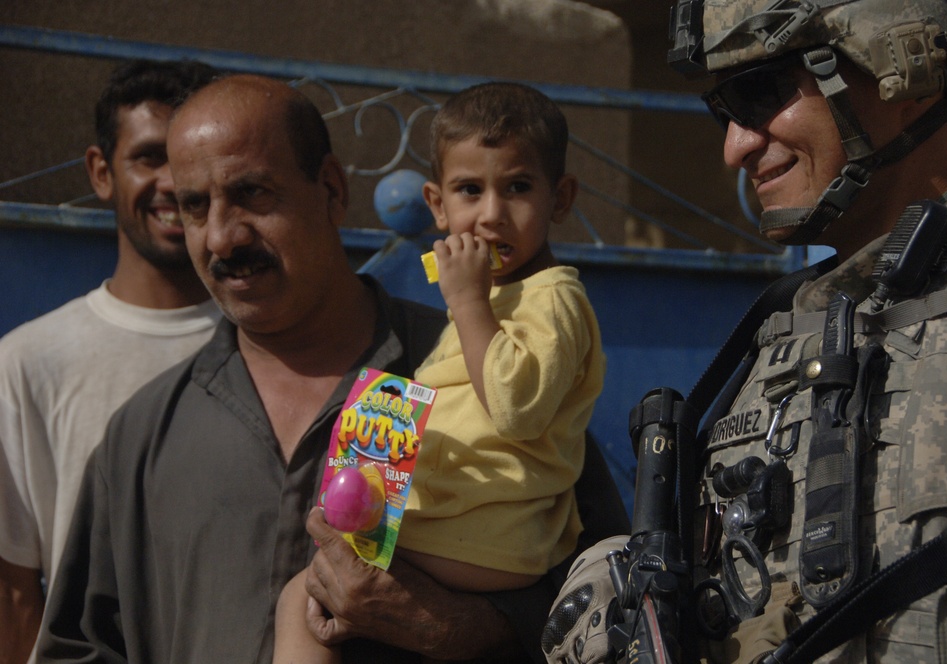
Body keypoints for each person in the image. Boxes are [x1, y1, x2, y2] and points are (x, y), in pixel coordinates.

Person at [35, 73, 627, 664]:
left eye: (253, 194)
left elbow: (615, 601)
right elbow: (81, 648)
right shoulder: (141, 438)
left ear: (332, 190)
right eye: (194, 207)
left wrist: (468, 627)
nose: (222, 236)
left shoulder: (473, 369)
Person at [544, 0, 947, 662]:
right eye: (725, 112)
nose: (735, 147)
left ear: (906, 69)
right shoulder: (783, 328)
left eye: (763, 93)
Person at [274, 81, 605, 662]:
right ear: (437, 205)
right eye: (470, 191)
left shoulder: (554, 299)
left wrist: (469, 303)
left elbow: (517, 409)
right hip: (463, 528)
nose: (492, 214)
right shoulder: (491, 301)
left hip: (486, 540)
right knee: (318, 590)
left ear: (560, 198)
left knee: (305, 592)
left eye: (519, 188)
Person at [0, 58, 221, 664]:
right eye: (151, 156)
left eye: (192, 159)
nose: (175, 183)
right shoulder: (26, 363)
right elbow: (15, 592)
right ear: (101, 172)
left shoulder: (285, 349)